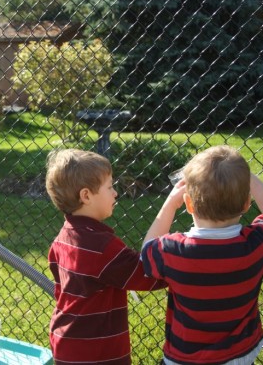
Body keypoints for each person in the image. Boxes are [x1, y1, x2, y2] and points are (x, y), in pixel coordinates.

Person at [141, 145, 263, 364]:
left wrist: (169, 204)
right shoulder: (257, 244)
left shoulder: (172, 250)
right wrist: (245, 175)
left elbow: (146, 250)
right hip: (240, 354)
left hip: (184, 358)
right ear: (246, 203)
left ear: (188, 204)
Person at [45, 148, 167, 364]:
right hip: (97, 354)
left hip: (65, 343)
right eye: (109, 187)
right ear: (86, 196)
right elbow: (147, 274)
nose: (115, 193)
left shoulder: (63, 237)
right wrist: (186, 264)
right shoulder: (101, 247)